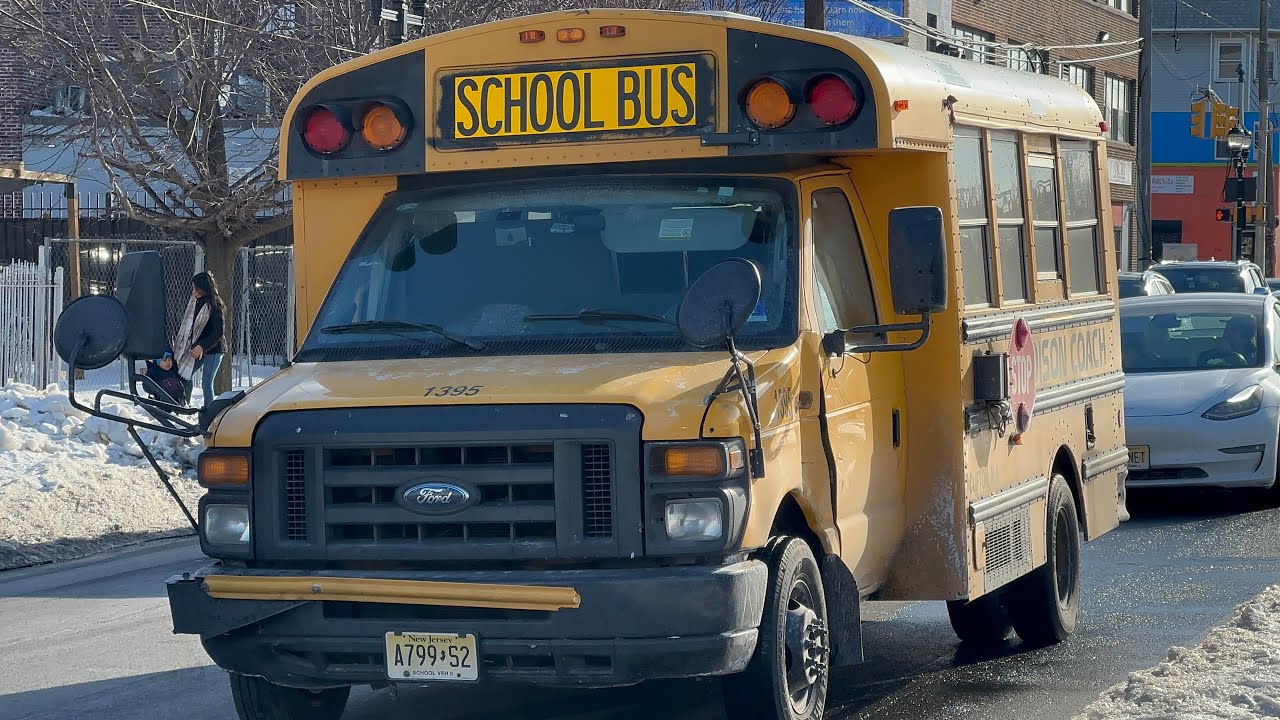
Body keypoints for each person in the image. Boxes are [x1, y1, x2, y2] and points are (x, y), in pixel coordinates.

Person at [173, 271, 226, 407]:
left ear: (204, 288)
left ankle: (209, 413)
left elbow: (218, 332)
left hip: (213, 349)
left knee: (206, 382)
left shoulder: (215, 305)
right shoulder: (195, 302)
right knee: (185, 374)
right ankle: (185, 405)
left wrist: (202, 346)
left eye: (196, 288)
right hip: (197, 347)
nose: (194, 291)